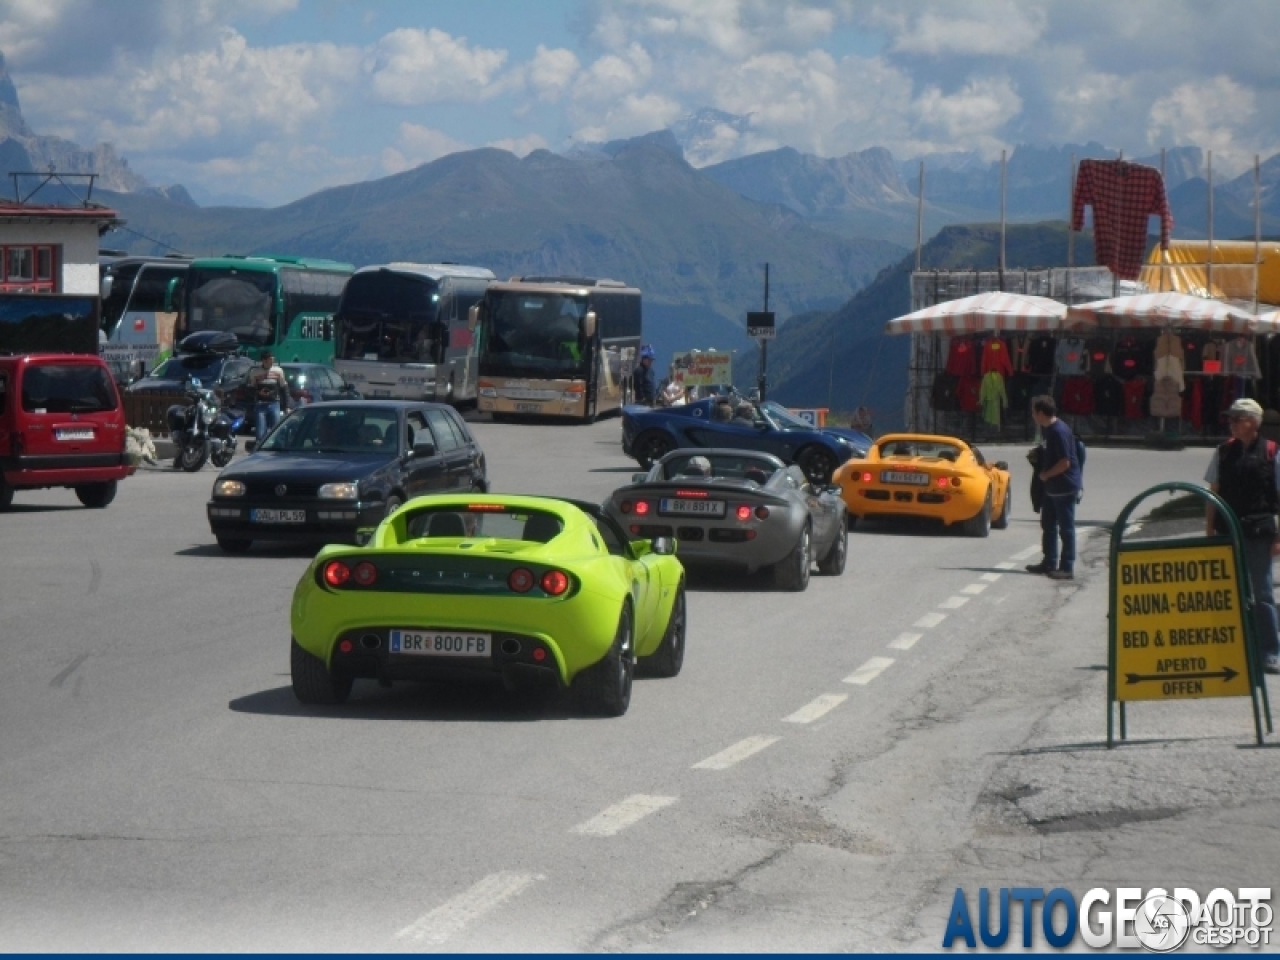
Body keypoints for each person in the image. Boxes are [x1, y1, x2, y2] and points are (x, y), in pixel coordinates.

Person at [1204, 398, 1280, 675]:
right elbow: (1212, 493)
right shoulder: (1223, 452)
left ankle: (1270, 651)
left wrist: (1278, 537)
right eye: (1231, 419)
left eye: (1238, 419)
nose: (1232, 424)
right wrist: (1209, 529)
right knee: (1230, 594)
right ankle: (1235, 649)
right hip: (1228, 531)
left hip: (1259, 532)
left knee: (1261, 594)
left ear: (1254, 423)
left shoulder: (1273, 453)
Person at [1026, 396, 1081, 580]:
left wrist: (1046, 474)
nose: (1032, 415)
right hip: (1052, 488)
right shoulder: (1048, 430)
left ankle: (1067, 567)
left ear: (1041, 413)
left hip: (1064, 486)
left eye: (1034, 412)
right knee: (1048, 524)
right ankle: (1049, 561)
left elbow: (1065, 462)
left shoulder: (1058, 431)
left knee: (1066, 528)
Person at [248, 351, 287, 439]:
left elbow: (284, 388)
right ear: (264, 361)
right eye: (270, 360)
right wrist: (258, 392)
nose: (272, 362)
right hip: (260, 404)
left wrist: (286, 406)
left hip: (274, 403)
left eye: (273, 360)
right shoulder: (255, 372)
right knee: (260, 432)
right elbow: (250, 389)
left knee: (276, 430)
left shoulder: (278, 371)